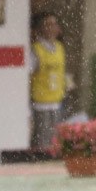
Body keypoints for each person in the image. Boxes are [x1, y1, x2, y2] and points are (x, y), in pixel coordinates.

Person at [29, 11, 67, 149]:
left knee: (56, 141)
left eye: (54, 24)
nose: (52, 27)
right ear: (41, 28)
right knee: (43, 141)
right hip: (41, 103)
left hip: (57, 101)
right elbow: (28, 74)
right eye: (48, 24)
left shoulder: (59, 48)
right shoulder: (36, 50)